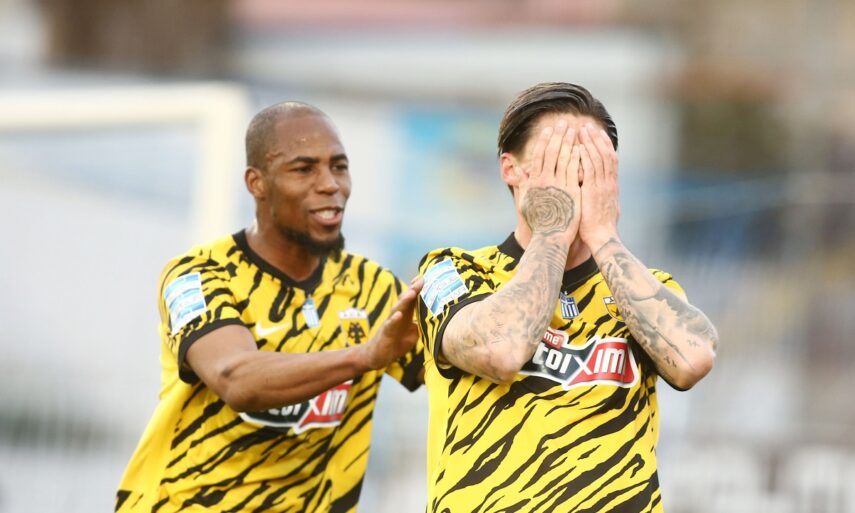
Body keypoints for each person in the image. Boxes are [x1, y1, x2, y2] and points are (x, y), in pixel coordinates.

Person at [416, 82, 718, 512]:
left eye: (590, 162)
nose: (574, 175)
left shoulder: (642, 287)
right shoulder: (455, 270)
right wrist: (553, 231)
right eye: (555, 159)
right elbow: (502, 351)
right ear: (510, 168)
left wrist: (603, 236)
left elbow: (692, 360)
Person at [116, 102, 424, 513]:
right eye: (304, 169)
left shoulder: (373, 288)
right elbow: (237, 379)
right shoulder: (198, 275)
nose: (330, 184)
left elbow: (462, 365)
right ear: (256, 182)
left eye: (339, 166)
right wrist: (365, 356)